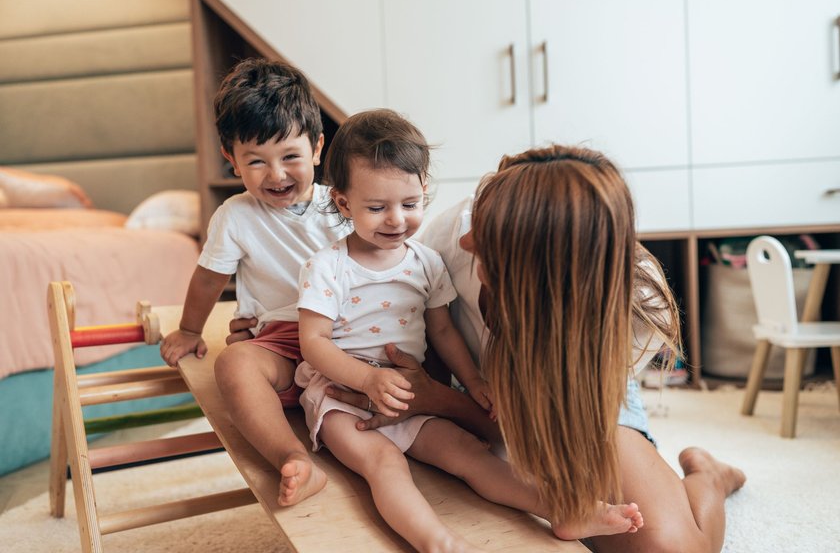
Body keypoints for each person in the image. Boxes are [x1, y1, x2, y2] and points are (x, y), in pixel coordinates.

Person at [322, 144, 747, 553]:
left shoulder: (636, 302)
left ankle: (708, 475)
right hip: (478, 394)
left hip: (583, 411)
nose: (469, 244)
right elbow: (424, 362)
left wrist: (442, 402)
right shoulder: (452, 236)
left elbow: (547, 439)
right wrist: (415, 392)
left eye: (488, 245)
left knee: (667, 549)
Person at [295, 110, 644, 552]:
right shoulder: (327, 267)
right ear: (344, 203)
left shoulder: (426, 262)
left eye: (409, 205)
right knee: (385, 464)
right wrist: (366, 379)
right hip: (341, 397)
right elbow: (313, 343)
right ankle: (438, 542)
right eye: (377, 208)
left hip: (409, 394)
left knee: (469, 454)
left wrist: (474, 381)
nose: (396, 221)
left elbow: (442, 330)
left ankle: (565, 512)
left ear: (424, 191)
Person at [159, 58, 352, 507]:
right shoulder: (235, 217)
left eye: (290, 157)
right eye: (256, 162)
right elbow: (209, 279)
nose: (277, 175)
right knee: (233, 364)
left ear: (318, 147)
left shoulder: (342, 205)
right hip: (284, 341)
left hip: (349, 334)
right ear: (231, 159)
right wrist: (190, 330)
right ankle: (293, 457)